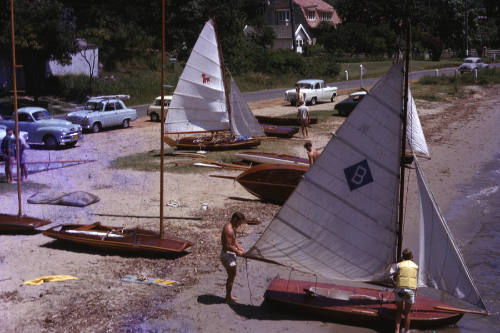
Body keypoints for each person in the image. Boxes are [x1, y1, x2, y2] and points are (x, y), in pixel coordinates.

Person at [220, 212, 246, 304]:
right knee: (231, 276)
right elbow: (227, 246)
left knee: (232, 276)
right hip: (227, 255)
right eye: (239, 223)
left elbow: (234, 239)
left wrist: (239, 248)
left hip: (230, 254)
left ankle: (229, 296)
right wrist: (237, 251)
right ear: (235, 219)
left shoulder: (232, 227)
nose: (239, 225)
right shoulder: (228, 229)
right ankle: (228, 298)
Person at [393, 248, 418, 333]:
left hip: (400, 290)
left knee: (399, 311)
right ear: (412, 257)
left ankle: (397, 331)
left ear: (402, 257)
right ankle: (406, 331)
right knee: (407, 313)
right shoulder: (415, 266)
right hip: (410, 291)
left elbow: (394, 277)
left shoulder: (398, 265)